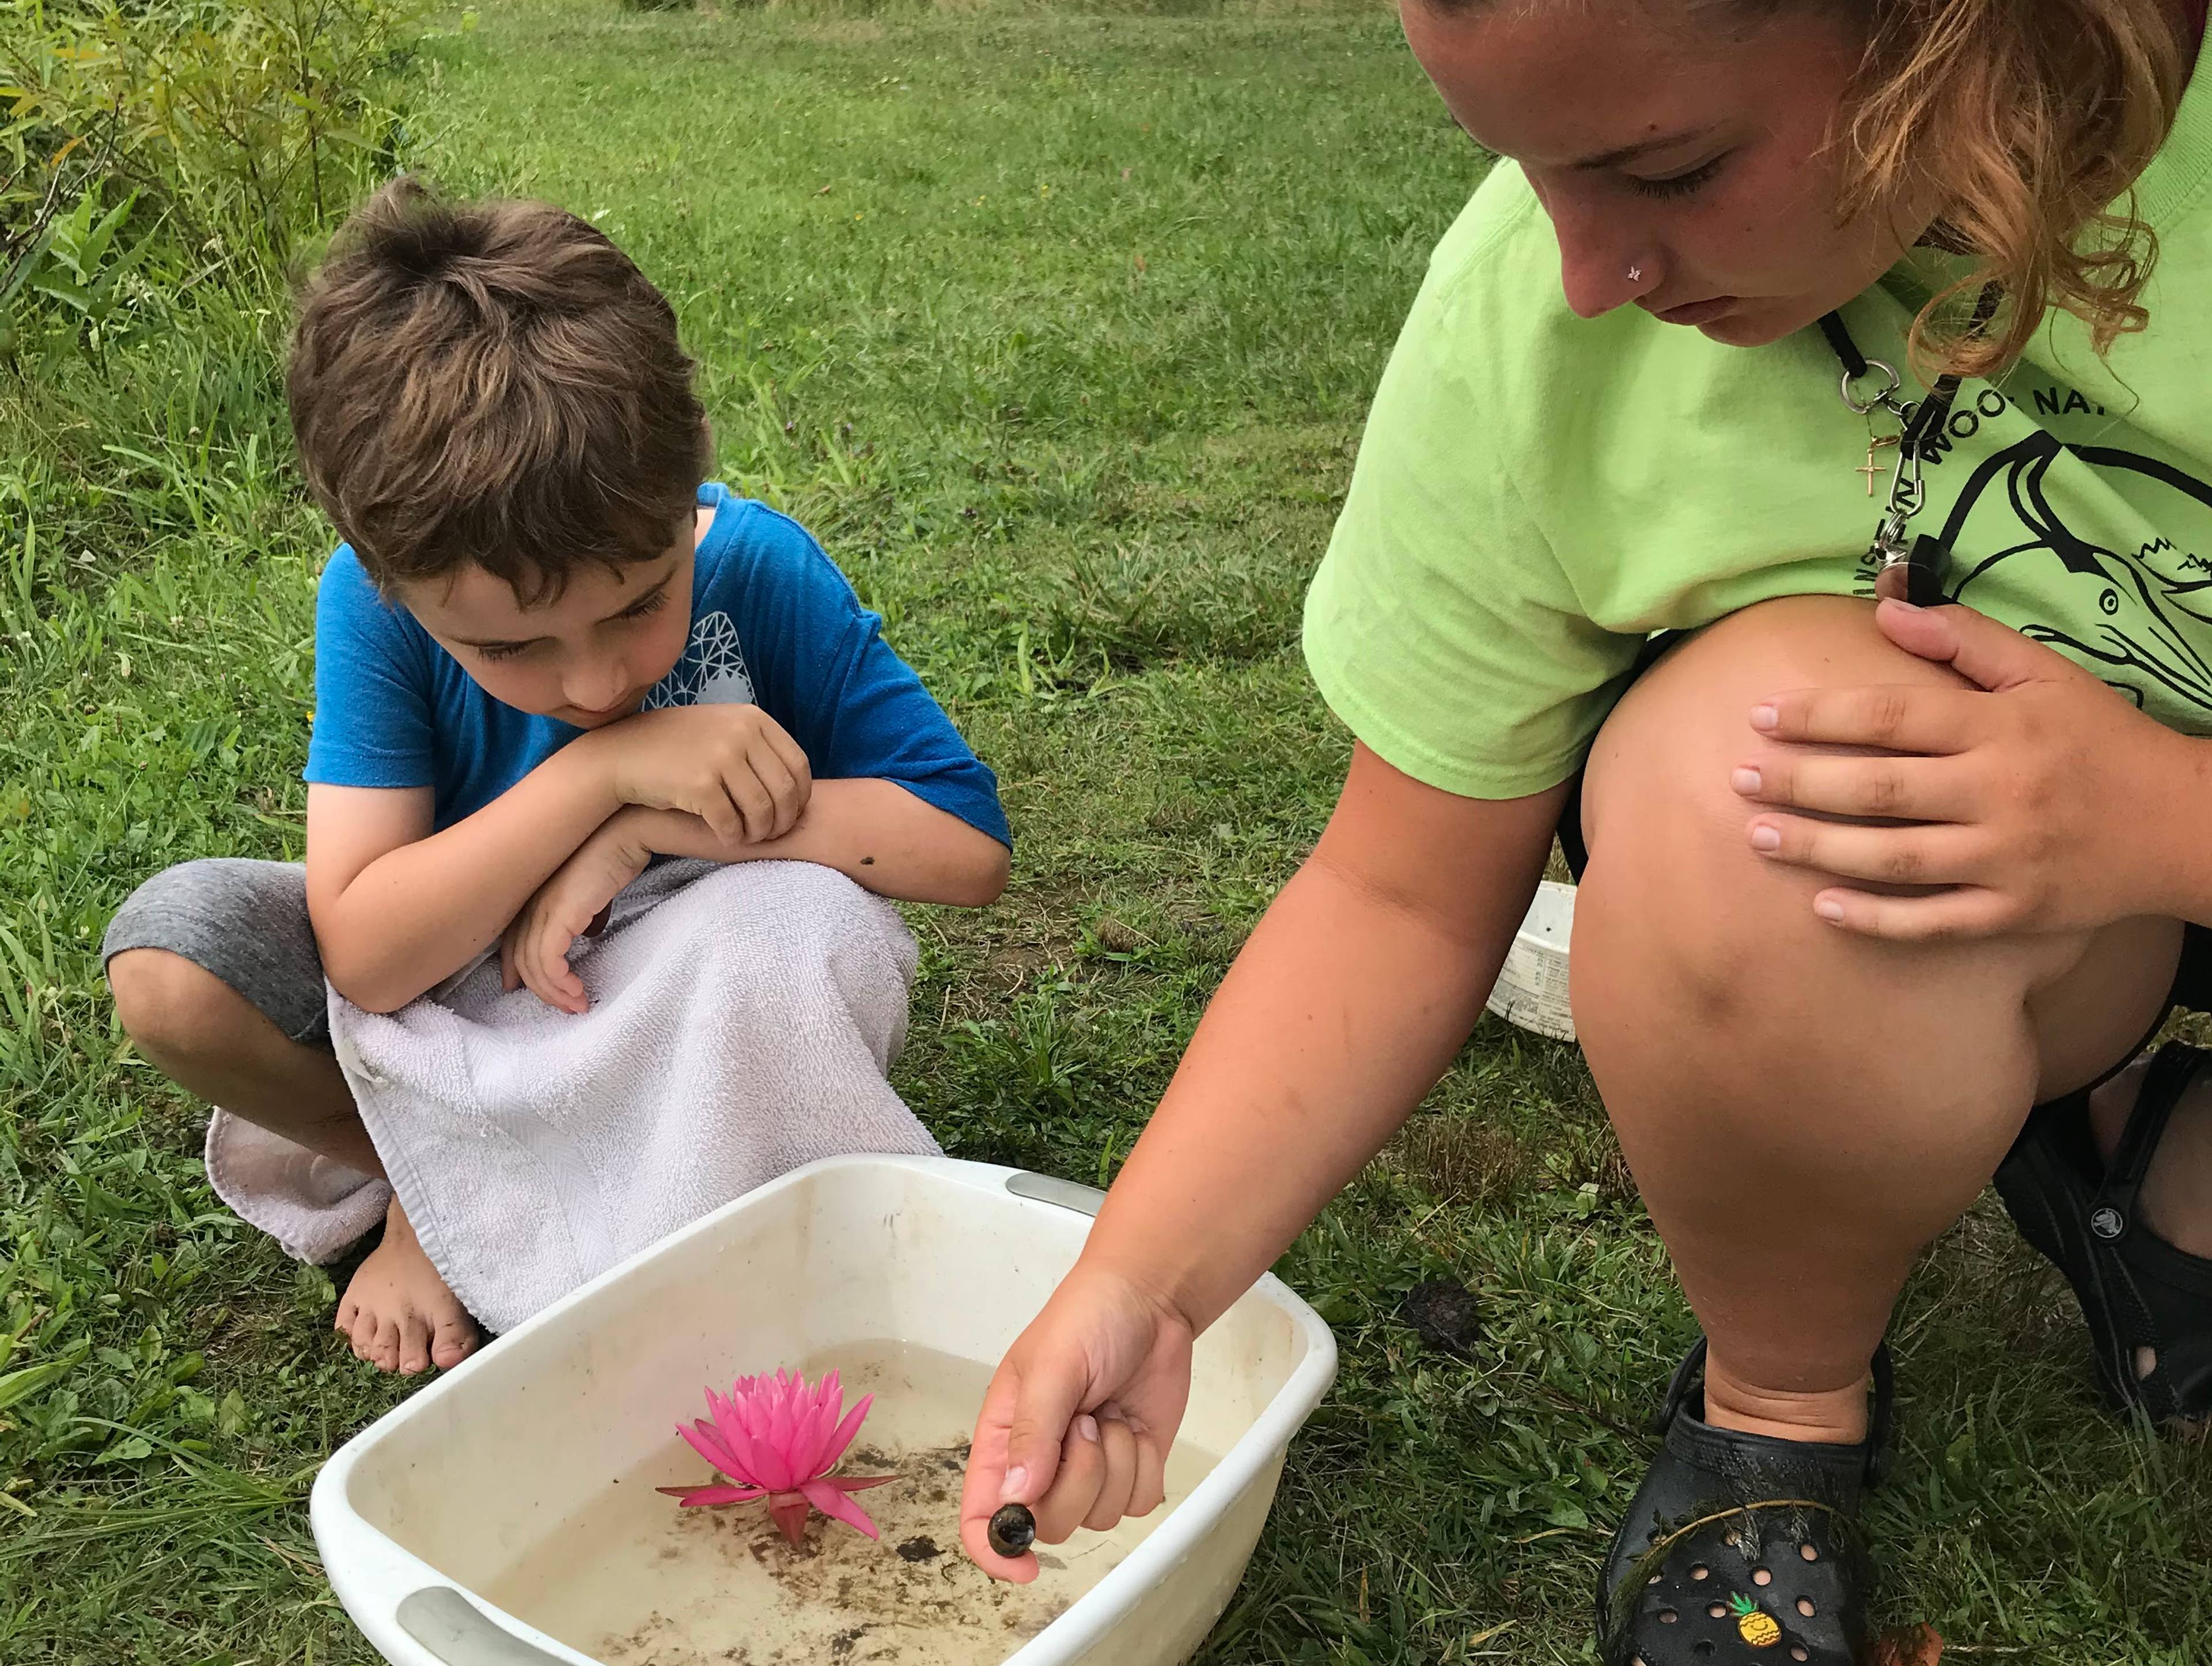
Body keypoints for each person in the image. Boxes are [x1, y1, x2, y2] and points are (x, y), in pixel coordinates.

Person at [957, 1, 2212, 1660]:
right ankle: (1783, 1396)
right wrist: (1144, 1274)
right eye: (1531, 171)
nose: (1584, 271)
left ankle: (2156, 1162)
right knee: (1751, 797)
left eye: (1668, 167)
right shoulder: (1528, 326)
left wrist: (2160, 815)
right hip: (2045, 895)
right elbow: (1400, 893)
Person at [102, 179, 1011, 1379]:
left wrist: (642, 832)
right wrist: (608, 772)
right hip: (465, 986)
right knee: (174, 959)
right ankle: (433, 1190)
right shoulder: (369, 609)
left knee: (796, 925)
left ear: (685, 493)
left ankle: (510, 1207)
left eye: (640, 608)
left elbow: (963, 846)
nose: (595, 679)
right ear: (393, 580)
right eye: (509, 648)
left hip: (675, 981)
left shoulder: (756, 565)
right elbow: (370, 952)